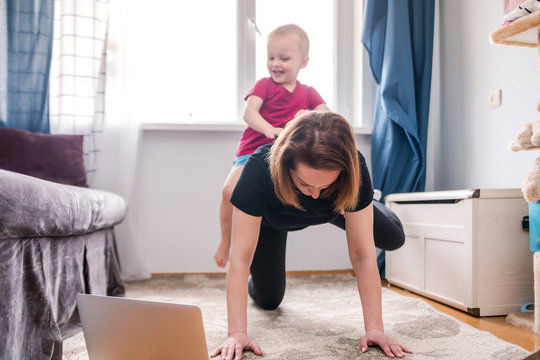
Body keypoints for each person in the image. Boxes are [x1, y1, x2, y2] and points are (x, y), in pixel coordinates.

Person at [210, 111, 412, 360]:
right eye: (305, 184)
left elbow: (362, 256)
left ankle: (365, 203)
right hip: (273, 222)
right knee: (269, 300)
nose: (314, 194)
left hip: (336, 206)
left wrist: (375, 329)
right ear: (286, 164)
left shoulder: (353, 169)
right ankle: (261, 280)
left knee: (393, 237)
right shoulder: (258, 169)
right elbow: (240, 260)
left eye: (324, 185)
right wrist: (237, 332)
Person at [215, 24, 330, 268]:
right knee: (228, 191)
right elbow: (249, 113)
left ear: (303, 62)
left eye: (284, 58)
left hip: (286, 157)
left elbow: (326, 115)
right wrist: (268, 129)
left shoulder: (308, 92)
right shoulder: (264, 86)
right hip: (252, 153)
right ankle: (226, 240)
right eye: (271, 57)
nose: (275, 63)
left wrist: (307, 115)